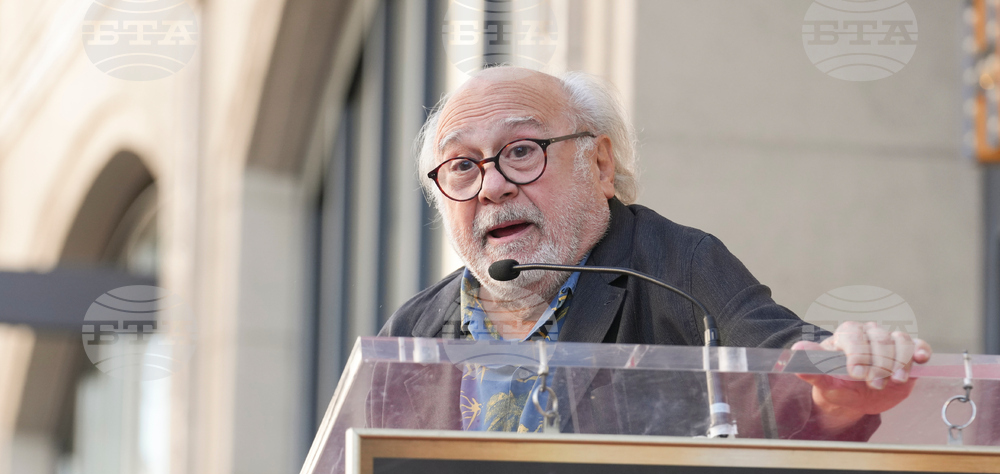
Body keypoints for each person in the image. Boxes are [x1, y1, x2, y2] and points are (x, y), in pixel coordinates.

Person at [377, 65, 932, 438]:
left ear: (599, 165)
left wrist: (841, 382)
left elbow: (784, 364)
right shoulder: (413, 330)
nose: (492, 186)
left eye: (521, 151)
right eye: (462, 165)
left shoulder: (677, 268)